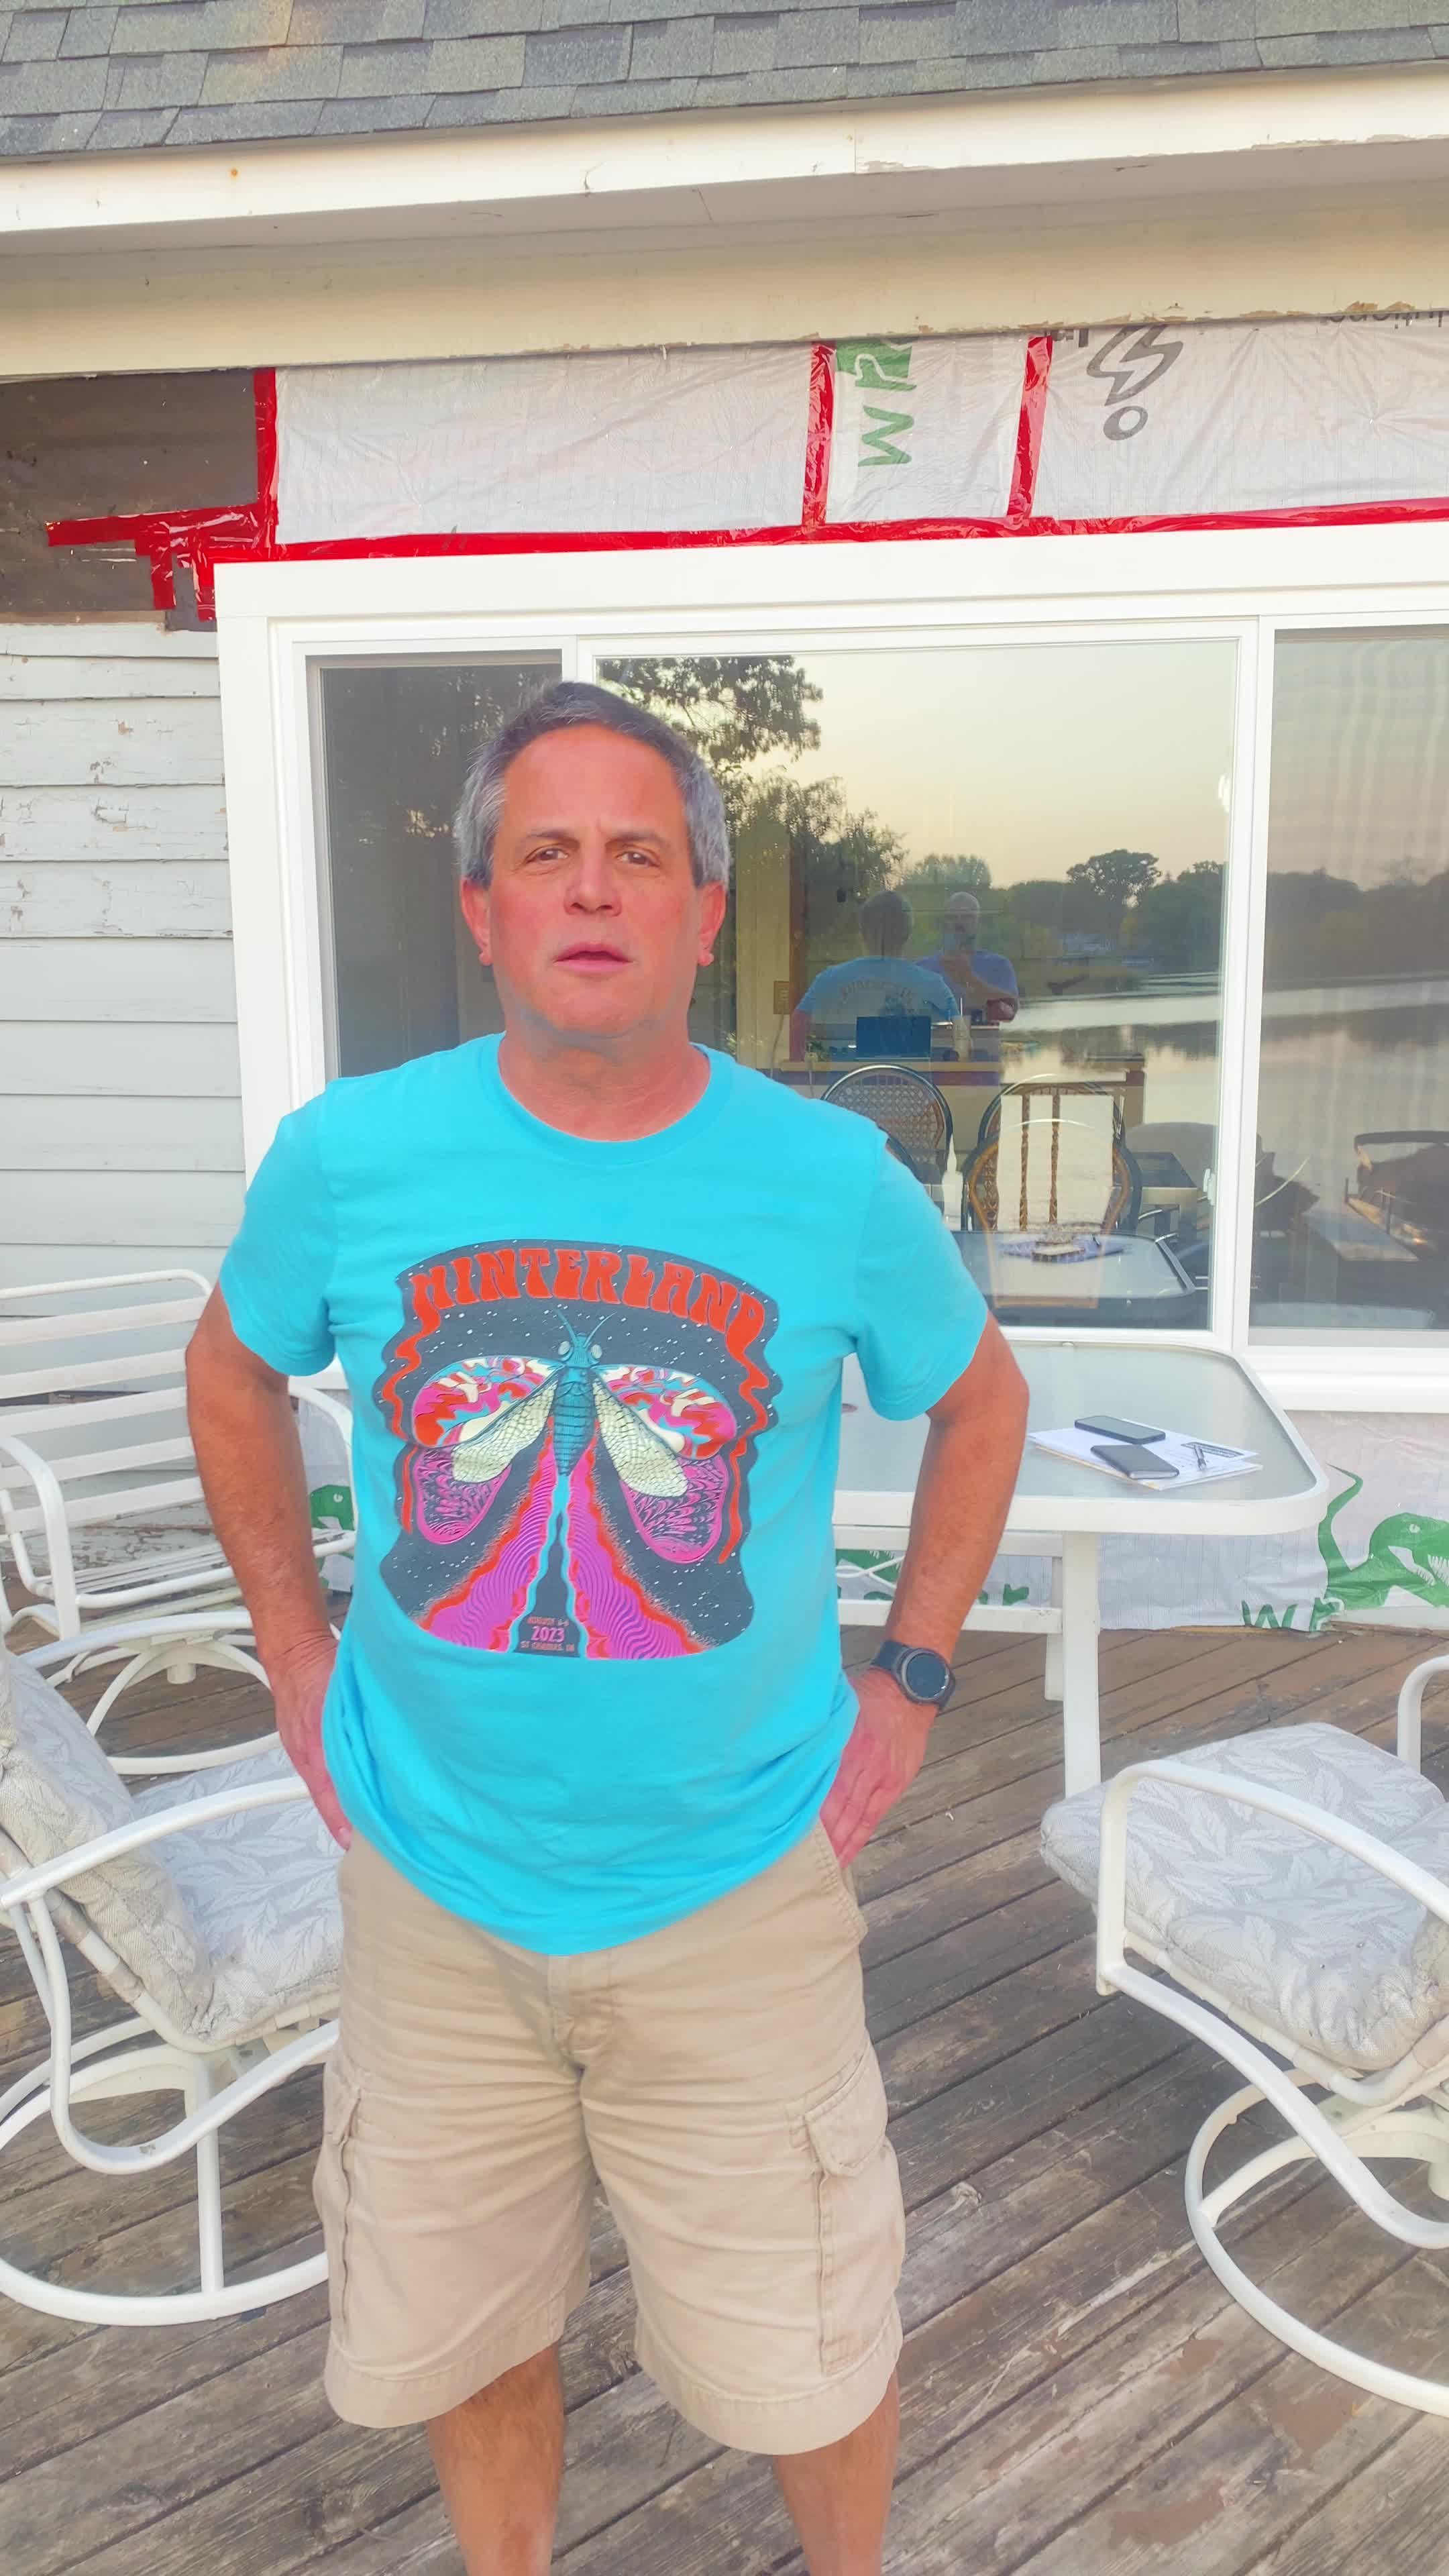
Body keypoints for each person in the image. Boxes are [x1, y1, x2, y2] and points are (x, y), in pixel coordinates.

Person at [186, 680, 1027, 2576]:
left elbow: (980, 1399)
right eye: (544, 853)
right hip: (433, 1881)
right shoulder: (346, 1157)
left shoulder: (829, 1179)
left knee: (809, 2353)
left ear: (703, 913)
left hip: (737, 1883)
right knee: (470, 2326)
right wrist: (295, 1651)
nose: (589, 888)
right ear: (480, 909)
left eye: (637, 854)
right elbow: (229, 1373)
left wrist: (910, 1674)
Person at [791, 886, 957, 1058]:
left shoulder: (828, 981)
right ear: (907, 934)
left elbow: (796, 1031)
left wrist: (801, 1067)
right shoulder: (933, 985)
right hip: (914, 1076)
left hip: (842, 1075)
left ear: (862, 932)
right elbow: (961, 1040)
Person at [918, 889, 1019, 1065]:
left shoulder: (998, 965)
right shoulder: (922, 968)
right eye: (952, 917)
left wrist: (968, 979)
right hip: (933, 1069)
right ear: (944, 922)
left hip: (983, 1070)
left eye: (967, 917)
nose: (959, 923)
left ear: (978, 922)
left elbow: (1007, 1015)